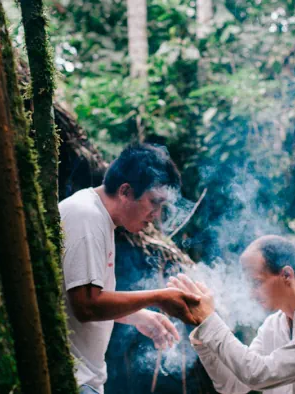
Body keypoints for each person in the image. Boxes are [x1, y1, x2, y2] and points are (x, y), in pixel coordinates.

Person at [60, 143, 201, 394]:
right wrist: (159, 297)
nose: (156, 215)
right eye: (153, 203)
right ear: (125, 191)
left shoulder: (98, 218)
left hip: (84, 380)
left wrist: (137, 315)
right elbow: (86, 305)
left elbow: (78, 297)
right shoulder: (86, 216)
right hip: (73, 380)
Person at [168, 235, 295, 394]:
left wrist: (210, 321)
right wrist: (202, 331)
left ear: (286, 275)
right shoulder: (273, 325)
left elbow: (258, 374)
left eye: (256, 282)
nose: (250, 293)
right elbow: (233, 387)